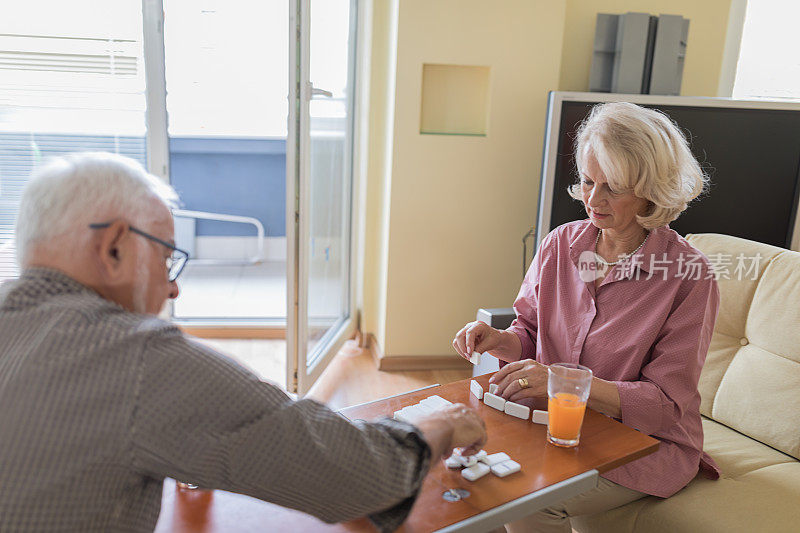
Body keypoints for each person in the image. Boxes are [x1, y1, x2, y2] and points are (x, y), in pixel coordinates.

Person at [0, 152, 487, 533]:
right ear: (114, 248)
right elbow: (358, 476)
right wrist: (436, 427)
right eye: (168, 258)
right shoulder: (134, 359)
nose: (173, 288)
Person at [453, 102, 721, 532]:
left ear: (653, 189)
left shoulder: (689, 276)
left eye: (612, 187)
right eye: (587, 181)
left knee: (527, 499)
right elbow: (529, 331)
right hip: (553, 425)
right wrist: (496, 339)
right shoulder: (561, 244)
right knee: (464, 468)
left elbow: (666, 404)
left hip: (643, 444)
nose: (593, 200)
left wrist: (560, 382)